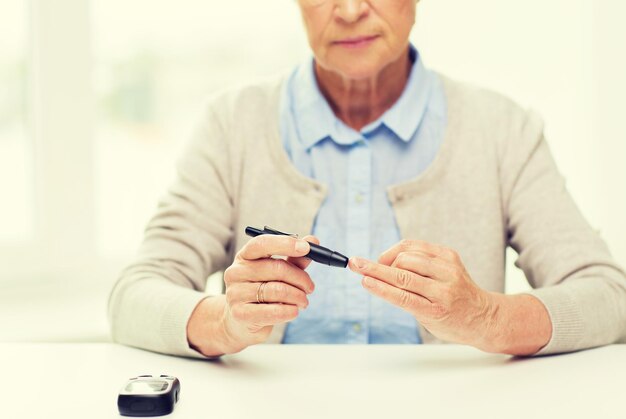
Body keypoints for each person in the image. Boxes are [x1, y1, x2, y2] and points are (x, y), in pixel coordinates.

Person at [107, 0, 626, 358]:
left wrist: (488, 317)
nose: (351, 9)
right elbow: (134, 295)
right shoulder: (231, 123)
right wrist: (224, 322)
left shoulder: (503, 129)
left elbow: (609, 298)